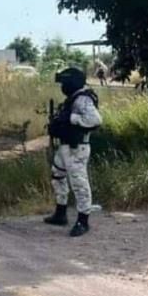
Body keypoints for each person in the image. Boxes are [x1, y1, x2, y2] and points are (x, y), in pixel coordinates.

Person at [44, 67, 102, 237]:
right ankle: (60, 213)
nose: (62, 86)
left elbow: (95, 120)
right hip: (66, 147)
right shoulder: (74, 98)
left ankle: (83, 221)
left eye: (64, 82)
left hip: (77, 148)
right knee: (58, 175)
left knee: (79, 183)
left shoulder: (83, 98)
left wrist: (71, 119)